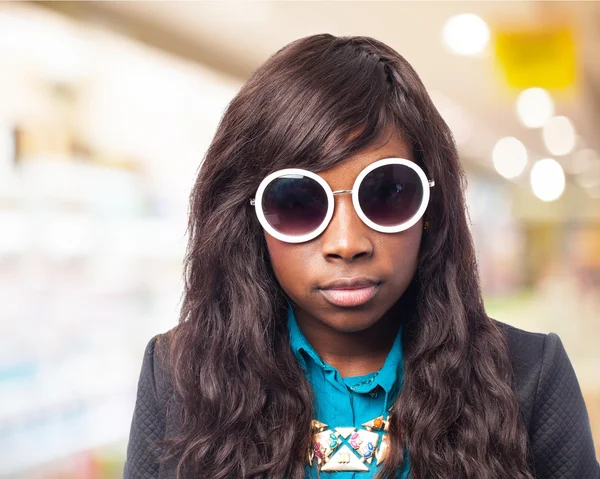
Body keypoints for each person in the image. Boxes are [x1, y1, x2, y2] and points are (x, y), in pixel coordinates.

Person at [123, 34, 599, 479]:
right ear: (249, 219)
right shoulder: (178, 379)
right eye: (298, 202)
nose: (347, 242)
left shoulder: (529, 375)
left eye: (388, 194)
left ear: (430, 209)